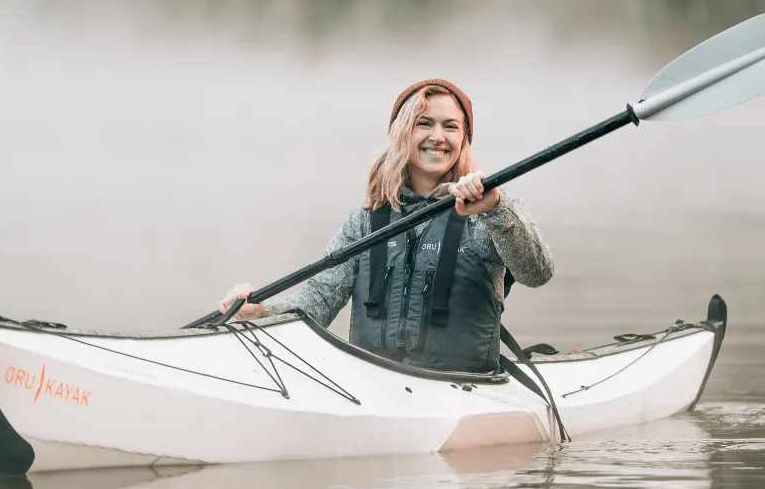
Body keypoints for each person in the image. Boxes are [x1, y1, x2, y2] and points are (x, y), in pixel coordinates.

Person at [218, 79, 554, 374]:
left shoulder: (492, 204)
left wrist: (495, 210)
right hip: (374, 384)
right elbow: (318, 301)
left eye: (450, 126)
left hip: (465, 386)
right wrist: (260, 311)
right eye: (424, 123)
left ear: (463, 138)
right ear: (403, 133)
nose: (437, 137)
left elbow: (537, 273)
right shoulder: (367, 218)